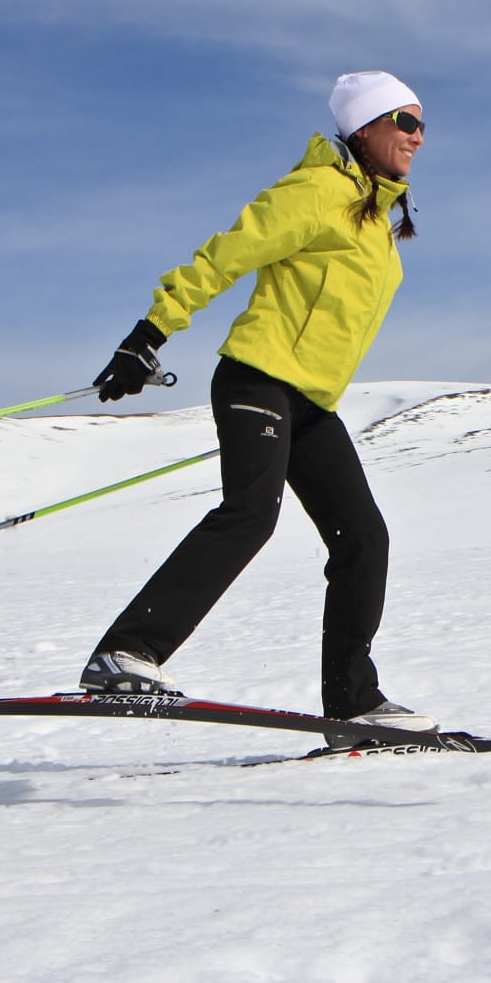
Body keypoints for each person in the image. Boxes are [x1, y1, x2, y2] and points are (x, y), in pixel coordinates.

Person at [80, 71, 436, 742]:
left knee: (364, 537)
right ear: (366, 128)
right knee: (249, 516)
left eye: (422, 124)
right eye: (407, 122)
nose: (419, 137)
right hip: (257, 380)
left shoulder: (373, 217)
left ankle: (352, 701)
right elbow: (227, 254)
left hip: (310, 403)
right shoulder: (317, 192)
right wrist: (150, 333)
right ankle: (124, 655)